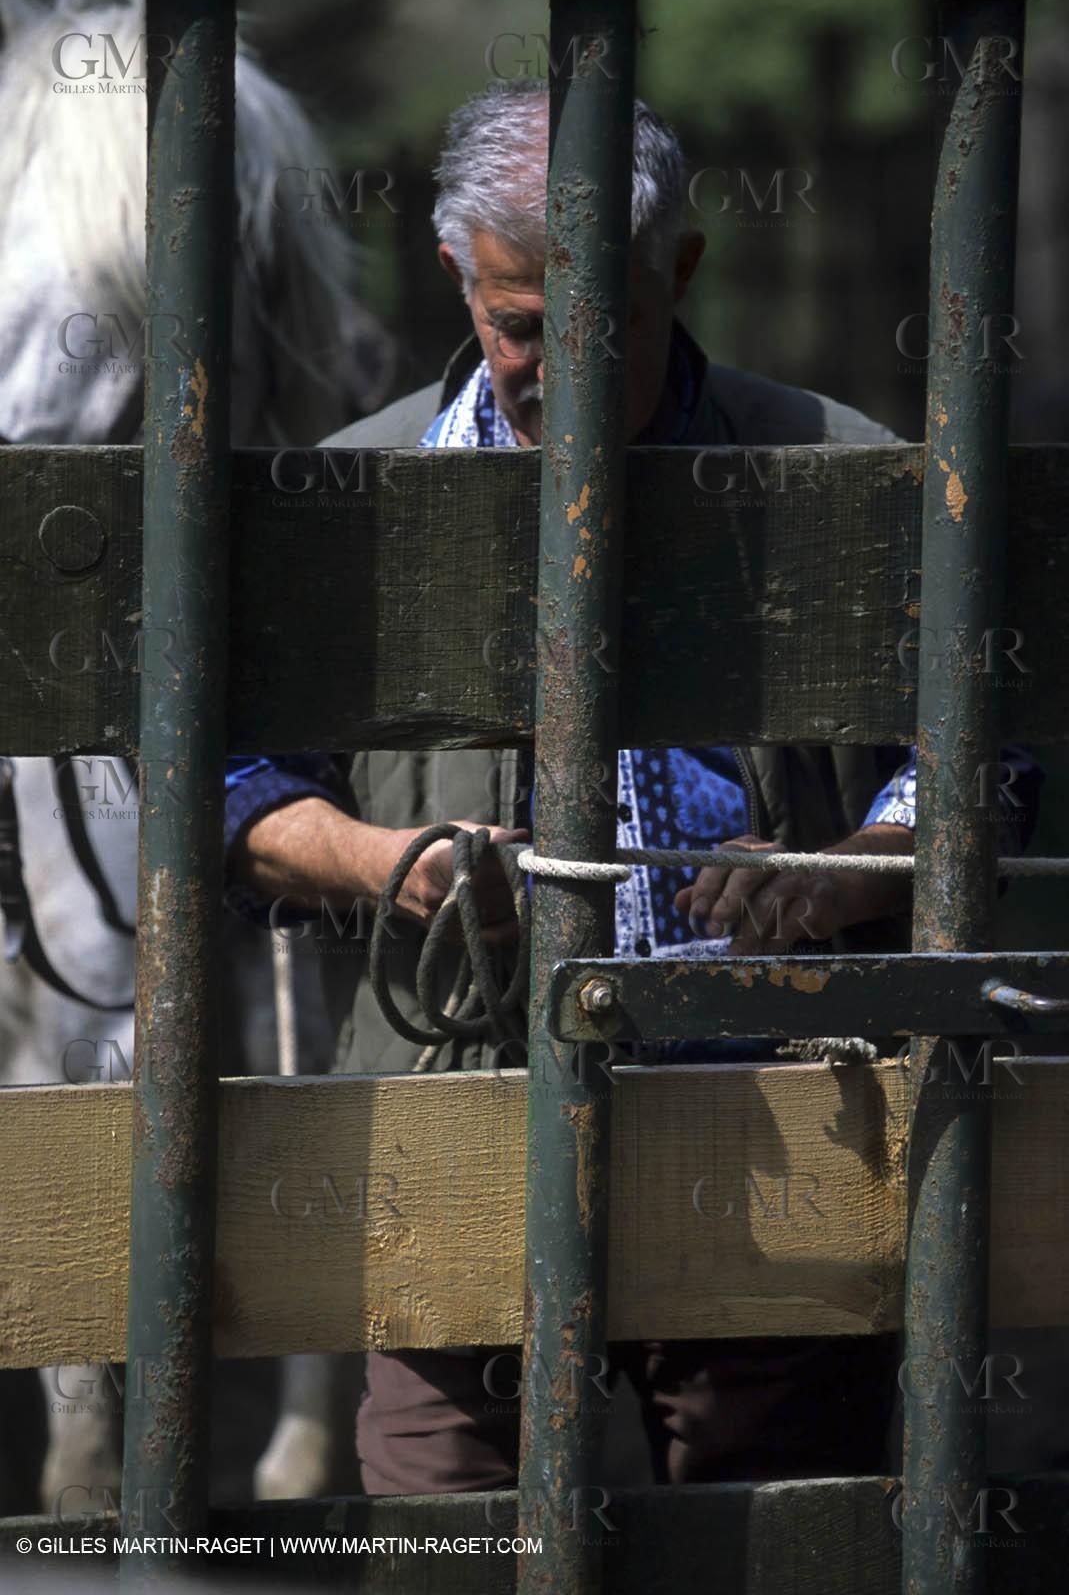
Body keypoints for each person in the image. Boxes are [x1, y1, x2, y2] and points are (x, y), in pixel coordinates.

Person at [224, 82, 1042, 1493]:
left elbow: (984, 754)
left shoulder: (832, 472)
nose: (569, 374)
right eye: (523, 327)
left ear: (683, 268)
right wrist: (386, 864)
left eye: (613, 327)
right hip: (451, 1145)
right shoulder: (345, 504)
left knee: (775, 1523)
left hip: (782, 1135)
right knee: (450, 1536)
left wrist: (851, 862)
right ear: (454, 277)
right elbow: (222, 783)